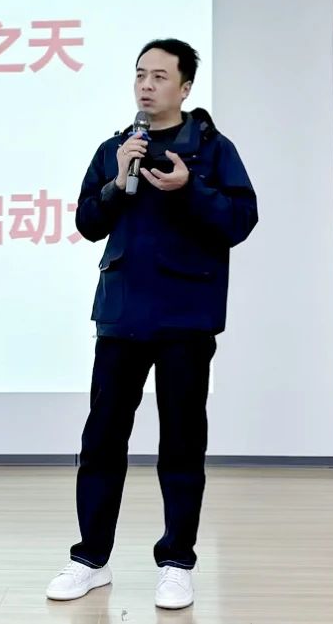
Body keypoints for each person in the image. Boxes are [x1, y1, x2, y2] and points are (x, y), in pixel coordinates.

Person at [45, 38, 258, 610]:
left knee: (182, 443)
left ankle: (177, 562)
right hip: (122, 315)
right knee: (101, 440)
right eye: (141, 74)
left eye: (160, 76)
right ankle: (90, 559)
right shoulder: (117, 148)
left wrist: (190, 188)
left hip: (186, 316)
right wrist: (117, 182)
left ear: (185, 87)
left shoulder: (212, 150)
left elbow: (240, 220)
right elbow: (89, 222)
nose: (146, 84)